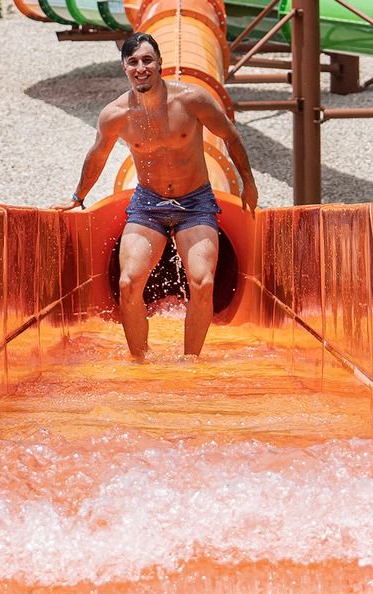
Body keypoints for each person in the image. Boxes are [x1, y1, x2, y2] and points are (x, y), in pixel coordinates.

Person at [64, 31, 258, 361]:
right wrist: (78, 196)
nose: (141, 68)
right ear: (124, 66)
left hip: (195, 202)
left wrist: (248, 183)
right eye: (134, 62)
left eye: (147, 60)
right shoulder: (115, 115)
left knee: (203, 281)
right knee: (128, 282)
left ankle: (189, 360)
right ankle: (141, 359)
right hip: (148, 203)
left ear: (159, 64)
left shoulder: (191, 100)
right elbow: (97, 156)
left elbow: (231, 135)